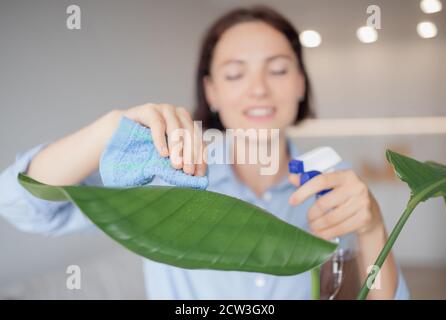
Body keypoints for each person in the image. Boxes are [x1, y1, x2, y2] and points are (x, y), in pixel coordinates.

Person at [0, 6, 409, 299]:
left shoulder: (330, 180)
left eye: (279, 69)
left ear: (301, 83)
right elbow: (20, 204)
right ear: (211, 91)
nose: (259, 89)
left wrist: (372, 226)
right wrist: (111, 127)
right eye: (235, 73)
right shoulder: (167, 169)